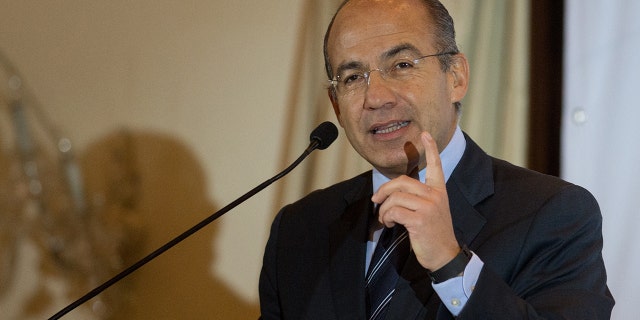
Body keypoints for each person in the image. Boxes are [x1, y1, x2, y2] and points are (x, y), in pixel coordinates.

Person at [259, 0, 614, 319]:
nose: (376, 98)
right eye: (353, 77)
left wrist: (450, 263)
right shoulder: (299, 230)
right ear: (336, 105)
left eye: (400, 64)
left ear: (456, 77)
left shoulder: (554, 214)